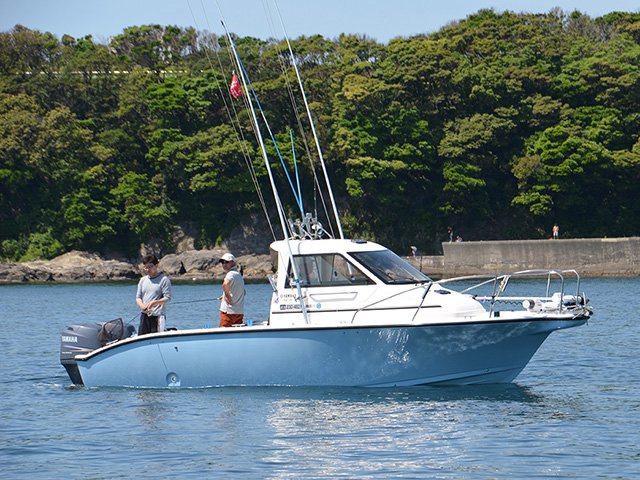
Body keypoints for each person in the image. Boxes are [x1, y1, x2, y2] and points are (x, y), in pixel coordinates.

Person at [136, 254, 172, 335]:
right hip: (144, 316)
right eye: (146, 267)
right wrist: (142, 306)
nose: (148, 269)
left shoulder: (164, 280)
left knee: (156, 340)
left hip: (158, 317)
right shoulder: (142, 280)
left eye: (150, 267)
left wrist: (154, 303)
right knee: (141, 339)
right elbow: (138, 297)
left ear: (156, 265)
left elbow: (168, 298)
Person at [218, 252, 246, 327]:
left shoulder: (231, 274)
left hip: (228, 312)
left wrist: (227, 297)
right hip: (239, 312)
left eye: (226, 262)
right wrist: (224, 295)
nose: (224, 264)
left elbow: (225, 285)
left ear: (233, 263)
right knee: (236, 335)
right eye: (222, 262)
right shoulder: (238, 275)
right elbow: (243, 292)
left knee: (223, 335)